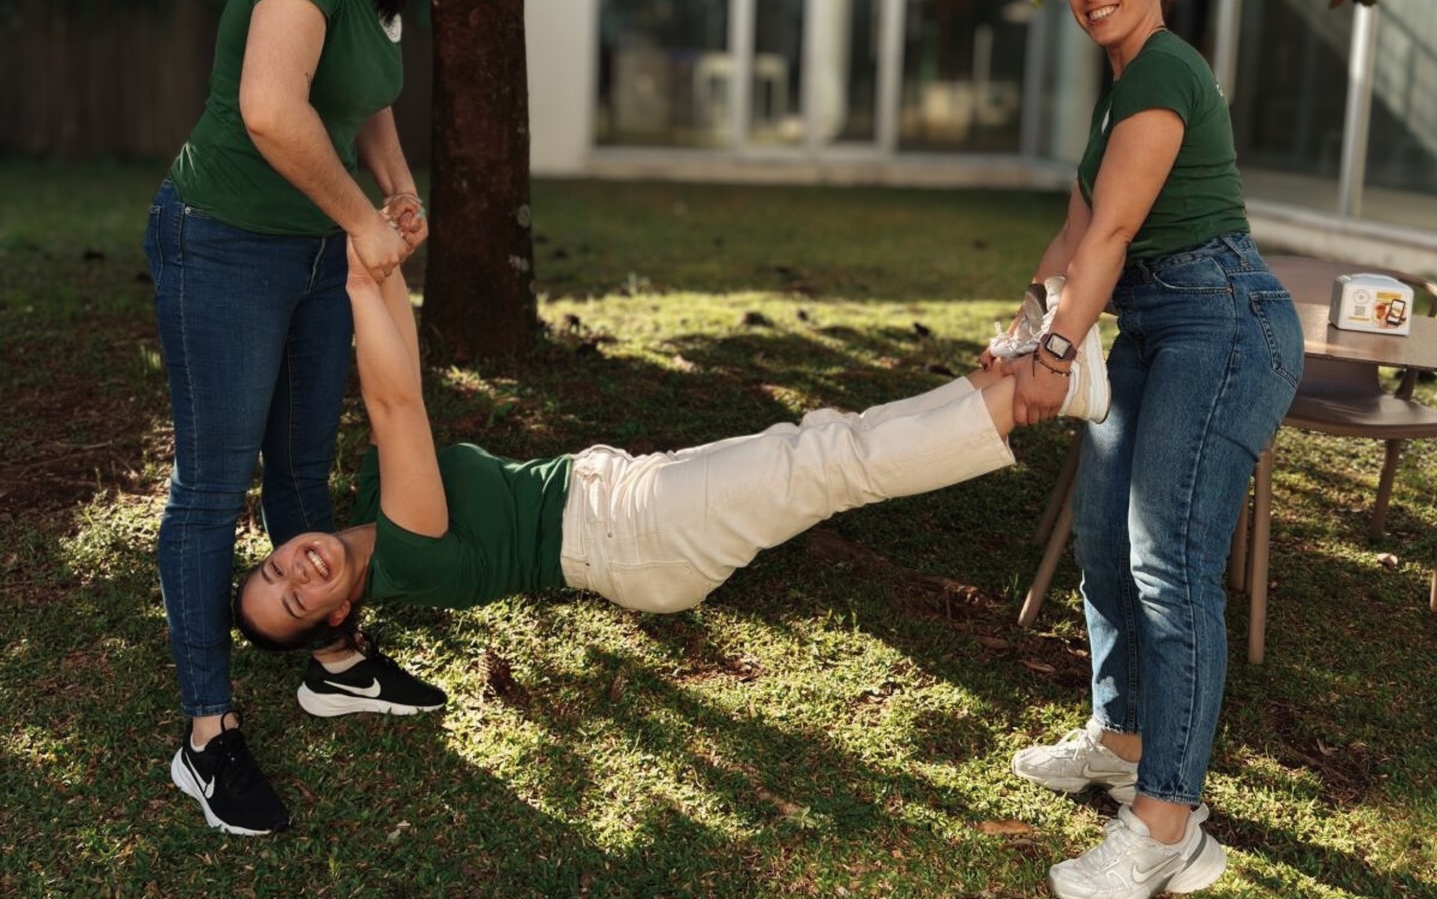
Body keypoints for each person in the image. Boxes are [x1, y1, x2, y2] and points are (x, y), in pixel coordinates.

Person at [233, 241, 1113, 658]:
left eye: (273, 573)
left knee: (827, 448)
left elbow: (404, 382)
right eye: (301, 602)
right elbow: (395, 401)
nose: (297, 575)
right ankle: (1046, 390)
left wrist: (382, 273)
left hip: (629, 506)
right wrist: (357, 279)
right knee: (829, 462)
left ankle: (1022, 381)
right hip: (632, 537)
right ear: (339, 618)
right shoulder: (408, 557)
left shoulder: (368, 505)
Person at [989, 0, 1302, 899]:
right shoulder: (1121, 92)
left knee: (1168, 559)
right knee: (1102, 541)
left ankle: (1166, 824)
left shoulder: (1164, 71)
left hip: (1224, 324)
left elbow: (1118, 232)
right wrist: (1020, 326)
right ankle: (1120, 743)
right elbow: (1079, 225)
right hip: (1164, 327)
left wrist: (1055, 353)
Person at [145, 0, 445, 839]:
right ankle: (207, 730)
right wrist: (365, 219)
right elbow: (273, 111)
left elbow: (358, 99)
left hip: (315, 250)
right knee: (212, 486)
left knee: (306, 469)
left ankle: (334, 659)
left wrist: (396, 190)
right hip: (223, 239)